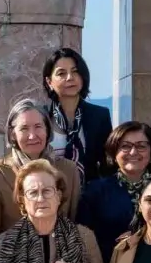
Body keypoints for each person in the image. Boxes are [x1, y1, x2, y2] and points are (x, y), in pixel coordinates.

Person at [0, 100, 84, 240]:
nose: (32, 136)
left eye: (38, 127)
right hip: (12, 258)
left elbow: (75, 224)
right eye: (24, 128)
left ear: (47, 130)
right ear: (12, 134)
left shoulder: (68, 170)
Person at [77, 121, 151, 262]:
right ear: (114, 152)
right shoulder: (95, 192)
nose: (133, 152)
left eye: (141, 146)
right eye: (125, 146)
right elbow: (83, 239)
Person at [40, 48, 112, 178]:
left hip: (90, 195)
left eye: (75, 71)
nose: (70, 78)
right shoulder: (41, 117)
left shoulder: (99, 116)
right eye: (61, 73)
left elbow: (107, 164)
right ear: (49, 82)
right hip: (49, 193)